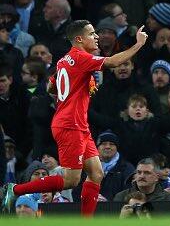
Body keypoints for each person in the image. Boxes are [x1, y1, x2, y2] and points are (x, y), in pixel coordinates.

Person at [2, 19, 148, 216]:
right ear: (79, 39)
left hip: (77, 124)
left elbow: (51, 87)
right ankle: (15, 189)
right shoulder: (81, 58)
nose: (96, 37)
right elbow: (113, 62)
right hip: (70, 125)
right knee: (71, 180)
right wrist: (138, 44)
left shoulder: (64, 60)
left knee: (96, 173)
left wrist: (79, 87)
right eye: (92, 34)